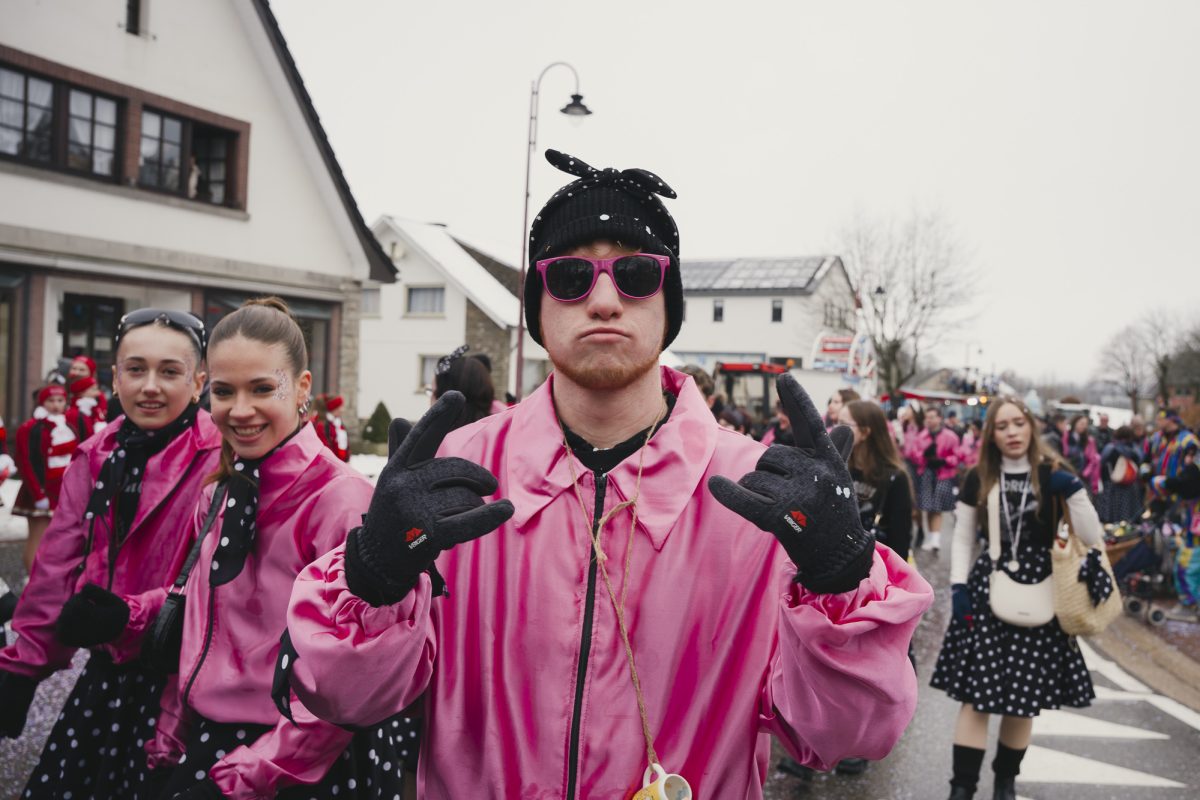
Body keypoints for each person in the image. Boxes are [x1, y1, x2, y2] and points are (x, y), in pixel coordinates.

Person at [279, 150, 932, 799]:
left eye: (637, 273)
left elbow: (849, 737)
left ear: (668, 305)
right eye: (567, 276)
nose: (601, 299)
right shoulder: (454, 476)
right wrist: (373, 577)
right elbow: (345, 699)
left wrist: (840, 580)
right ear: (538, 308)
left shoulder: (757, 494)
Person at [145, 299, 403, 799]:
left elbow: (350, 680)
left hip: (308, 763)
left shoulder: (342, 501)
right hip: (212, 749)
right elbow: (200, 631)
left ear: (302, 387)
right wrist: (168, 742)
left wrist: (253, 774)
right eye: (223, 391)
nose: (240, 410)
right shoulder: (216, 495)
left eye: (262, 388)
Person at [0, 308, 220, 800]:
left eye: (170, 371)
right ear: (115, 378)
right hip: (107, 679)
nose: (150, 386)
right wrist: (23, 665)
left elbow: (216, 582)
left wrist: (130, 616)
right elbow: (55, 568)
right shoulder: (95, 453)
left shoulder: (221, 457)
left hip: (181, 686)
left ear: (199, 379)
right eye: (136, 369)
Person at [931, 397, 1103, 800]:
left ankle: (1005, 785)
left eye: (1018, 423)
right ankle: (962, 790)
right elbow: (962, 534)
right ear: (991, 434)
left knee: (1022, 703)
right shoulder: (978, 477)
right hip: (988, 588)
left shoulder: (1054, 476)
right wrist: (957, 587)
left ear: (1031, 427)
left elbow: (1093, 537)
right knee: (976, 699)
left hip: (1042, 595)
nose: (1011, 432)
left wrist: (1074, 490)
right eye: (1002, 426)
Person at [831, 399, 915, 776]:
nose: (836, 424)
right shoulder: (835, 465)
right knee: (832, 662)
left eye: (845, 422)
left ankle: (863, 741)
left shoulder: (894, 478)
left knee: (868, 664)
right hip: (831, 575)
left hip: (873, 581)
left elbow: (901, 542)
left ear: (865, 431)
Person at [12, 384, 77, 572]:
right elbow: (26, 462)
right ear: (41, 402)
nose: (56, 405)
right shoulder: (30, 428)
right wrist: (38, 494)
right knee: (37, 539)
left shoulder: (68, 425)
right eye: (51, 400)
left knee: (57, 542)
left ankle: (46, 584)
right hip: (39, 492)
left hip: (62, 493)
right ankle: (31, 584)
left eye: (60, 400)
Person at [1146, 409, 1200, 618]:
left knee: (1186, 564)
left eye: (1190, 455)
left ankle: (1189, 604)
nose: (1187, 459)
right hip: (1189, 517)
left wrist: (1164, 483)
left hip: (1194, 522)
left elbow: (1188, 482)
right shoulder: (1160, 440)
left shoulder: (1189, 445)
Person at [904, 405, 961, 552]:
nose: (929, 420)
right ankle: (932, 537)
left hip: (943, 474)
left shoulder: (951, 436)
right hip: (927, 474)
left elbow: (958, 456)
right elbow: (914, 455)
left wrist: (944, 460)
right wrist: (924, 457)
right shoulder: (921, 436)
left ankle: (935, 539)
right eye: (927, 417)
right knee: (928, 507)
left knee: (937, 507)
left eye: (932, 417)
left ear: (940, 418)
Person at [1098, 426, 1144, 524]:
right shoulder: (1135, 449)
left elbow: (1103, 464)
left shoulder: (1111, 448)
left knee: (1114, 511)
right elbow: (1140, 462)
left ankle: (1113, 528)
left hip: (1114, 485)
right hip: (1130, 486)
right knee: (1129, 510)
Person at [1062, 414, 1101, 495]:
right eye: (1081, 423)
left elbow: (1093, 460)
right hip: (1067, 473)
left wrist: (1084, 474)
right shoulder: (1065, 436)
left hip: (1083, 477)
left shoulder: (1089, 441)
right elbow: (1064, 453)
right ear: (1074, 423)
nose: (1084, 426)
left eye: (1085, 424)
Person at [66, 373, 110, 441]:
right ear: (81, 392)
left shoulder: (94, 409)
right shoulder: (73, 413)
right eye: (93, 389)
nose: (98, 393)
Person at [312, 392, 351, 462]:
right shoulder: (323, 425)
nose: (343, 410)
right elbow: (325, 450)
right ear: (334, 408)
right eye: (340, 407)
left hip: (340, 464)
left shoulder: (337, 423)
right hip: (332, 465)